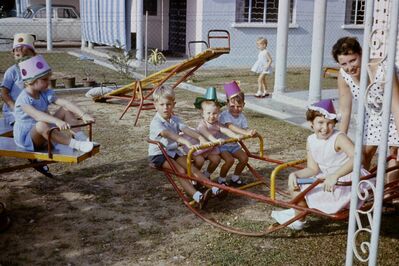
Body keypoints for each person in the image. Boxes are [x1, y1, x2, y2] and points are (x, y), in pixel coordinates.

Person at [271, 99, 371, 230]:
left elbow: (358, 158)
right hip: (328, 177)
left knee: (313, 187)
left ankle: (299, 214)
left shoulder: (339, 137)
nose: (325, 128)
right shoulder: (311, 140)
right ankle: (299, 214)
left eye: (330, 123)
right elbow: (313, 168)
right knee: (294, 184)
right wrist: (295, 174)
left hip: (345, 176)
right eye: (320, 123)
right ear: (311, 123)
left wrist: (336, 175)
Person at [332, 36, 399, 184]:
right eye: (344, 64)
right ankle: (361, 189)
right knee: (364, 153)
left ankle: (388, 195)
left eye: (353, 60)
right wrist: (340, 137)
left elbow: (395, 104)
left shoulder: (381, 68)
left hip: (395, 110)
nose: (350, 67)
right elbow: (345, 110)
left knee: (394, 152)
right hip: (374, 112)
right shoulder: (344, 76)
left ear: (361, 54)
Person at [148, 85, 226, 208]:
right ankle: (197, 196)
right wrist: (185, 141)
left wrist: (201, 139)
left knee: (192, 168)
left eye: (168, 104)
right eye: (162, 105)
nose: (165, 108)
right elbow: (167, 134)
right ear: (155, 105)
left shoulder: (174, 119)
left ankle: (215, 189)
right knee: (180, 171)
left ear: (174, 104)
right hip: (159, 154)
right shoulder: (156, 122)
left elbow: (186, 129)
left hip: (173, 151)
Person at [13, 55, 95, 153]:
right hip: (28, 139)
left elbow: (65, 103)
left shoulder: (43, 92)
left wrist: (83, 114)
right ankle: (76, 144)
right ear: (30, 81)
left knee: (65, 109)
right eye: (44, 80)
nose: (48, 82)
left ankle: (81, 137)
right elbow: (37, 115)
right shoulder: (23, 100)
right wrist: (57, 121)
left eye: (48, 79)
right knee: (41, 124)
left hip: (46, 131)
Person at [193, 87, 242, 185]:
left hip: (211, 148)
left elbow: (225, 130)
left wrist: (235, 135)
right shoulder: (202, 124)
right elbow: (206, 134)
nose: (212, 116)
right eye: (208, 113)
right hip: (201, 147)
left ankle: (206, 174)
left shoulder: (217, 123)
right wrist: (215, 140)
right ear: (202, 113)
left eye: (215, 113)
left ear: (219, 113)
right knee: (199, 161)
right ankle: (194, 176)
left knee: (216, 160)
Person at [219, 81, 258, 186]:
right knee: (229, 161)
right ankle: (221, 179)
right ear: (227, 103)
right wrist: (245, 132)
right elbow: (230, 126)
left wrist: (251, 132)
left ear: (243, 105)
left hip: (234, 145)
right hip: (222, 145)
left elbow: (246, 129)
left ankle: (235, 178)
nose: (236, 109)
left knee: (244, 158)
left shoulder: (242, 117)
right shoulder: (224, 115)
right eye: (232, 106)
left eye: (239, 106)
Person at [1, 33, 36, 125]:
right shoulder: (12, 71)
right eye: (17, 54)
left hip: (32, 108)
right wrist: (15, 107)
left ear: (33, 54)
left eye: (25, 55)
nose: (18, 49)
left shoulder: (36, 71)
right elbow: (4, 94)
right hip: (14, 111)